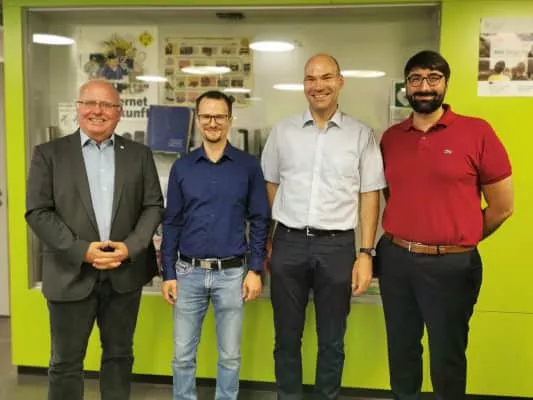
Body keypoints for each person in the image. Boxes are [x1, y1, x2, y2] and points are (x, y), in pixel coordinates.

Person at [378, 50, 513, 400]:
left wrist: (459, 238)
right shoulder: (391, 138)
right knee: (401, 351)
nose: (424, 87)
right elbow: (393, 195)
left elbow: (502, 207)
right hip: (396, 260)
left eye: (433, 78)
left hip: (452, 266)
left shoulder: (477, 132)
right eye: (415, 79)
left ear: (446, 84)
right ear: (406, 86)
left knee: (447, 357)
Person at [25, 79, 164, 400]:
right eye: (90, 103)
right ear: (78, 109)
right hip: (69, 274)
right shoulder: (49, 154)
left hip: (124, 275)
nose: (97, 111)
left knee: (119, 357)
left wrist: (130, 247)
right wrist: (81, 250)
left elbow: (153, 206)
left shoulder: (139, 155)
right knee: (65, 363)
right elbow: (38, 211)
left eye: (107, 105)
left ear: (119, 113)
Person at [261, 54, 386, 400]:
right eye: (311, 79)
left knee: (332, 339)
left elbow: (369, 194)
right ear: (304, 85)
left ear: (340, 82)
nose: (318, 86)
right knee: (286, 337)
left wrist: (365, 253)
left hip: (337, 247)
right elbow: (271, 183)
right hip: (289, 243)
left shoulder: (360, 135)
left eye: (326, 77)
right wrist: (276, 233)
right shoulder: (283, 131)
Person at [160, 90, 269, 400]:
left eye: (219, 116)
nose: (212, 122)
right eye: (206, 116)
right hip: (188, 273)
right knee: (182, 356)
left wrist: (255, 270)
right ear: (197, 120)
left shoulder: (248, 166)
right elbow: (172, 222)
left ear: (230, 120)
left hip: (232, 274)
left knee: (230, 356)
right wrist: (168, 273)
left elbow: (260, 219)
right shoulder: (182, 167)